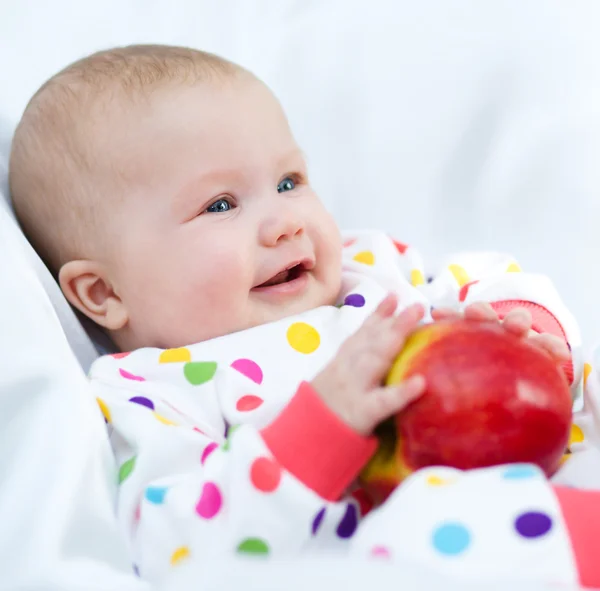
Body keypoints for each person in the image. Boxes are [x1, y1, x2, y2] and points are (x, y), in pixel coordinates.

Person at [9, 44, 600, 587]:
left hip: (550, 458)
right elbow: (177, 547)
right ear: (102, 293)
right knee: (427, 526)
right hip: (420, 550)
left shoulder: (364, 268)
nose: (287, 221)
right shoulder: (151, 394)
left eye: (289, 181)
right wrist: (322, 427)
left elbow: (490, 277)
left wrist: (520, 327)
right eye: (221, 205)